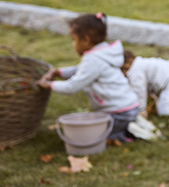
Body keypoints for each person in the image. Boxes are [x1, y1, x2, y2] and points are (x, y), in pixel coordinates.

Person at [38, 13, 140, 142]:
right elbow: (80, 70)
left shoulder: (93, 60)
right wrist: (59, 72)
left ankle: (119, 136)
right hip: (128, 108)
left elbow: (72, 87)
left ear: (86, 40)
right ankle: (124, 131)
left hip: (118, 113)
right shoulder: (103, 52)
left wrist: (49, 85)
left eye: (74, 40)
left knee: (90, 136)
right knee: (95, 127)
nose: (73, 44)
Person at [121, 50, 169, 117]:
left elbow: (139, 91)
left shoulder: (134, 70)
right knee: (161, 105)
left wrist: (141, 111)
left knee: (165, 112)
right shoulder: (140, 63)